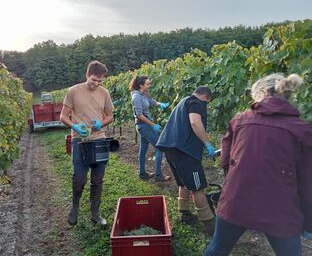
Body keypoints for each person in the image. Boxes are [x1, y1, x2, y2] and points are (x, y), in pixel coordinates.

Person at [204, 74, 312, 256]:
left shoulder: (239, 121)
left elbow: (225, 160)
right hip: (279, 209)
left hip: (236, 201)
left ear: (262, 93)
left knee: (218, 249)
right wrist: (308, 221)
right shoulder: (302, 130)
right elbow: (308, 183)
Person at [60, 60, 114, 227]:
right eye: (93, 80)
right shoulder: (73, 91)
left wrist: (102, 124)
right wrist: (74, 126)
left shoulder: (104, 93)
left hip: (99, 140)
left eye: (99, 81)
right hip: (80, 140)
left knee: (98, 180)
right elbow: (63, 116)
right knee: (79, 178)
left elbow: (110, 116)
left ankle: (95, 213)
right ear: (87, 75)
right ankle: (75, 207)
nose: (96, 84)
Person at [156, 86, 216, 234]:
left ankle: (185, 214)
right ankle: (209, 224)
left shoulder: (184, 101)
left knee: (183, 182)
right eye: (207, 102)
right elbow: (195, 122)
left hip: (170, 148)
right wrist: (207, 143)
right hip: (185, 151)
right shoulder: (197, 103)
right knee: (198, 187)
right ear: (206, 97)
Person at [129, 75, 171, 182]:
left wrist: (160, 104)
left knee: (143, 148)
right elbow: (139, 115)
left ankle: (143, 173)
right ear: (141, 85)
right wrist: (153, 125)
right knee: (159, 147)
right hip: (143, 126)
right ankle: (158, 175)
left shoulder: (144, 93)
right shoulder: (136, 97)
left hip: (146, 125)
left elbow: (151, 101)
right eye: (147, 84)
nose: (149, 86)